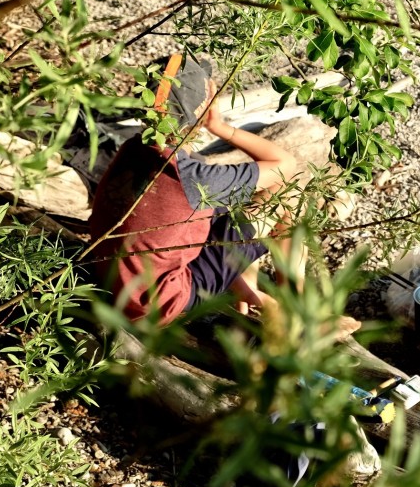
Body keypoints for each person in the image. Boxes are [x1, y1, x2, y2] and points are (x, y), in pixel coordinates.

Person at [86, 54, 302, 324]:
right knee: (284, 195)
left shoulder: (135, 148)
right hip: (157, 303)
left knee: (230, 209)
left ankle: (248, 294)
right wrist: (221, 128)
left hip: (114, 281)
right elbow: (285, 165)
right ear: (202, 110)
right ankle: (296, 308)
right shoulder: (193, 178)